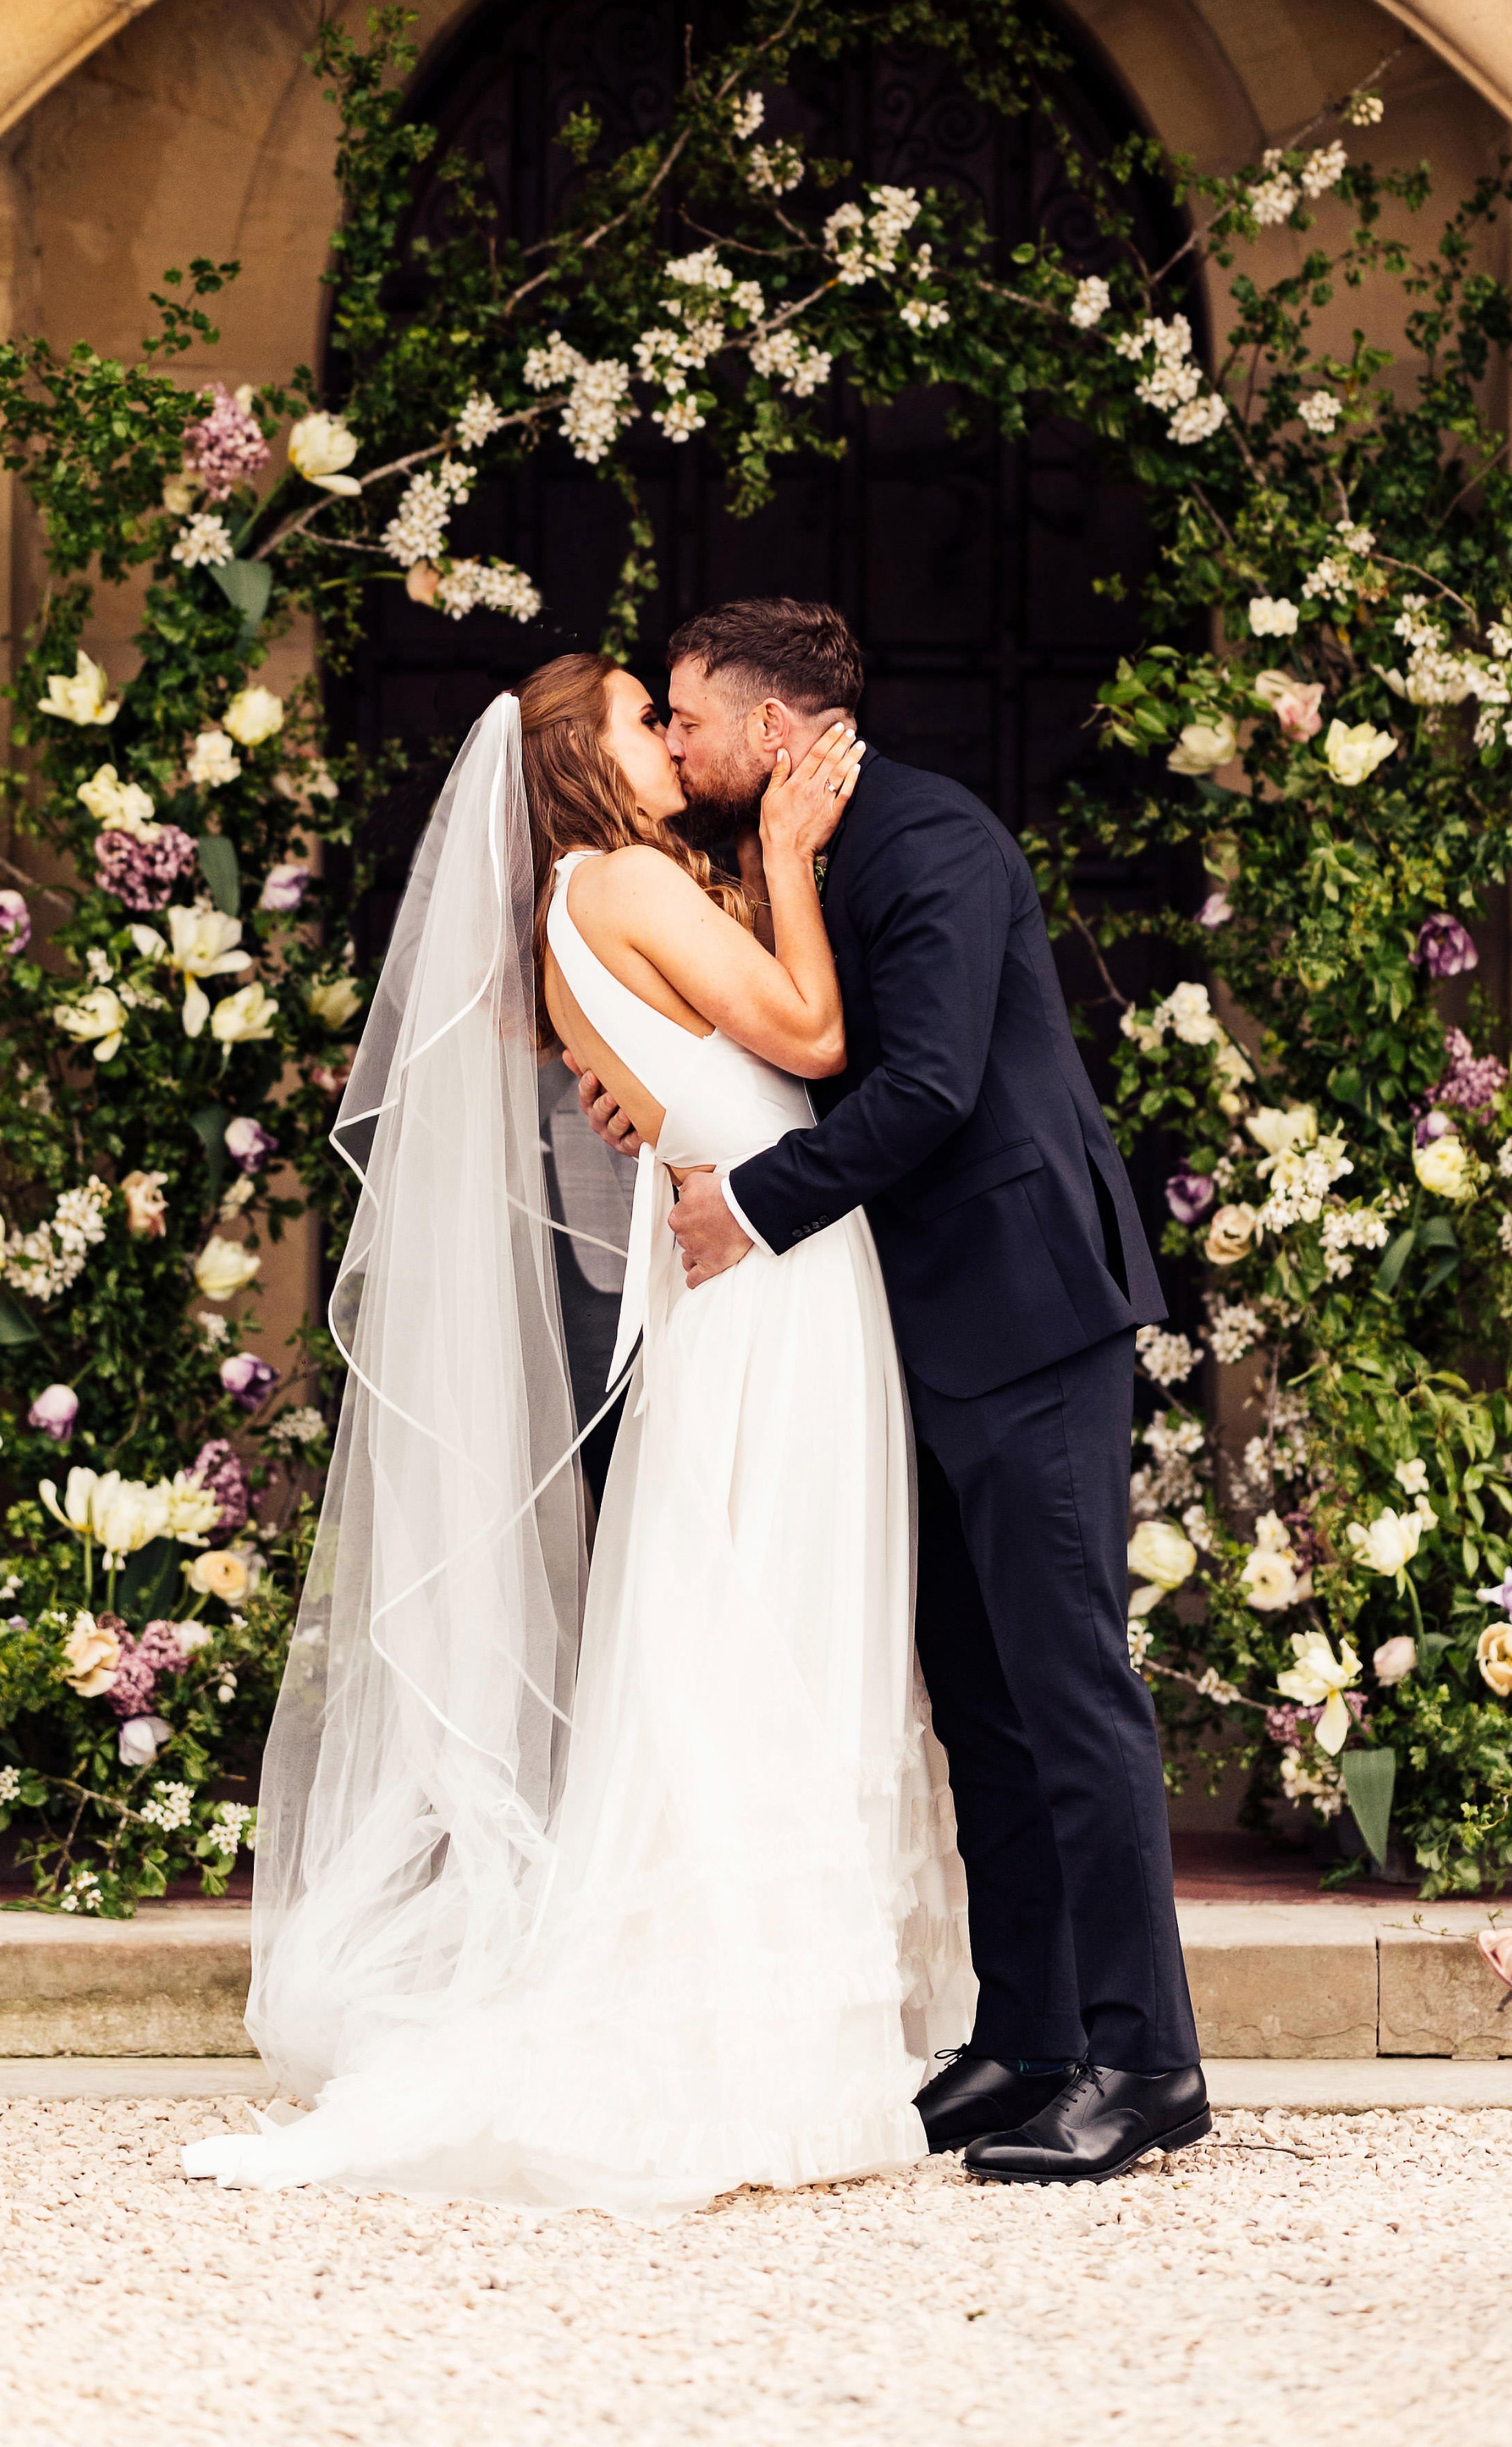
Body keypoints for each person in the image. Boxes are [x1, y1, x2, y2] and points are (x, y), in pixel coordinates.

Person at [182, 651, 973, 2220]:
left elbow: (714, 1063)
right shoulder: (615, 879)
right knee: (774, 1620)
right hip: (772, 1297)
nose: (665, 738)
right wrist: (788, 856)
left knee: (753, 1613)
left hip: (757, 1278)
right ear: (579, 763)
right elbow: (813, 1038)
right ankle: (761, 2028)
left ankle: (793, 2012)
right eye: (639, 717)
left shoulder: (592, 903)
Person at [578, 598, 1209, 2187]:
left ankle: (1147, 2063)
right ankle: (1029, 2039)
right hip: (907, 1337)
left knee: (1071, 1692)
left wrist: (749, 1204)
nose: (669, 741)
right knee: (980, 1709)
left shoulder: (930, 843)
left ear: (772, 730)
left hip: (1020, 1314)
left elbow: (922, 1088)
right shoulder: (782, 860)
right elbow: (787, 1051)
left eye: (684, 717)